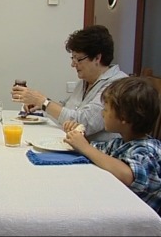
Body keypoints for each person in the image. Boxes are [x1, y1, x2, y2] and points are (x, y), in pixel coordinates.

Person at [11, 25, 128, 141]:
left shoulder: (118, 84)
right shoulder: (85, 81)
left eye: (78, 59)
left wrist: (44, 102)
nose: (73, 64)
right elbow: (66, 109)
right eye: (72, 58)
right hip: (73, 146)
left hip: (96, 154)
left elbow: (84, 123)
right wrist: (39, 106)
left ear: (97, 58)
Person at [63, 77, 161, 215]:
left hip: (141, 222)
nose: (102, 113)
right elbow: (97, 153)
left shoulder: (147, 150)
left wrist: (86, 148)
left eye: (106, 109)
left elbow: (127, 175)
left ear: (124, 117)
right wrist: (79, 139)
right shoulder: (119, 143)